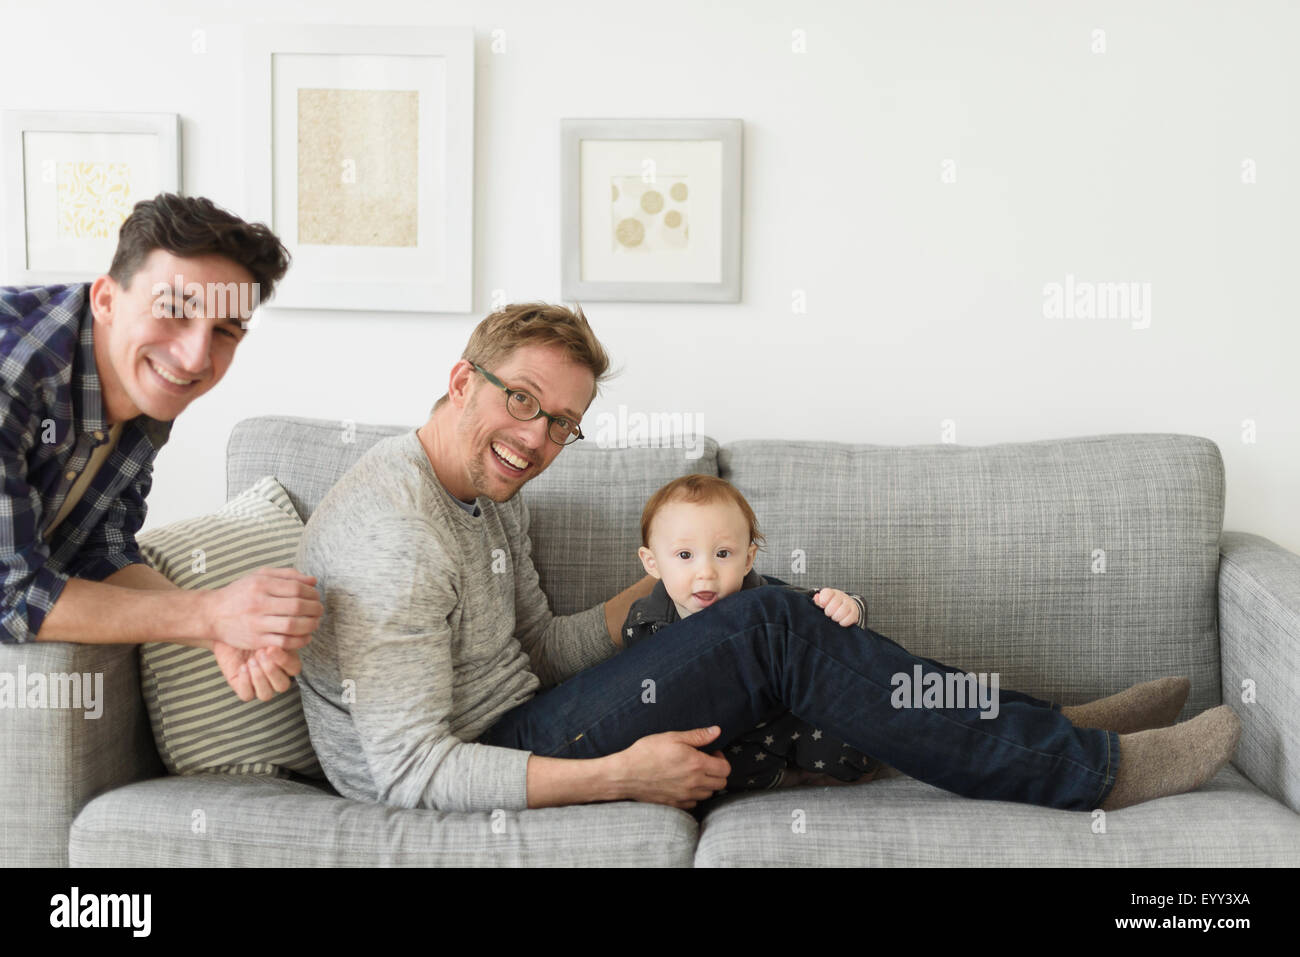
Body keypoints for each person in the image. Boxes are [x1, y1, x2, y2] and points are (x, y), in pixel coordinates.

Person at [295, 301, 1240, 813]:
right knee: (777, 627)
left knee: (764, 610)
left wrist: (684, 585)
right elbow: (408, 775)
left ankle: (1035, 725)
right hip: (492, 753)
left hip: (526, 711)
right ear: (463, 381)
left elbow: (539, 644)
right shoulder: (396, 529)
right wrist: (620, 775)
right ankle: (1092, 769)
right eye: (524, 404)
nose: (538, 440)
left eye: (564, 426)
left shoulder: (484, 496)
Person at [0, 193, 322, 701]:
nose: (195, 357)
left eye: (224, 331)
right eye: (173, 311)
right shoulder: (11, 373)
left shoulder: (141, 384)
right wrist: (211, 615)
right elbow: (9, 596)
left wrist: (218, 630)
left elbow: (99, 548)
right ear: (106, 299)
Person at [624, 472, 883, 791]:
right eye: (685, 556)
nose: (706, 573)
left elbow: (813, 610)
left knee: (845, 739)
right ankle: (780, 778)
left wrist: (848, 606)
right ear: (652, 563)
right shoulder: (643, 622)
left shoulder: (763, 601)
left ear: (747, 560)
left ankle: (839, 766)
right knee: (710, 768)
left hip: (782, 722)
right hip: (722, 737)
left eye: (722, 554)